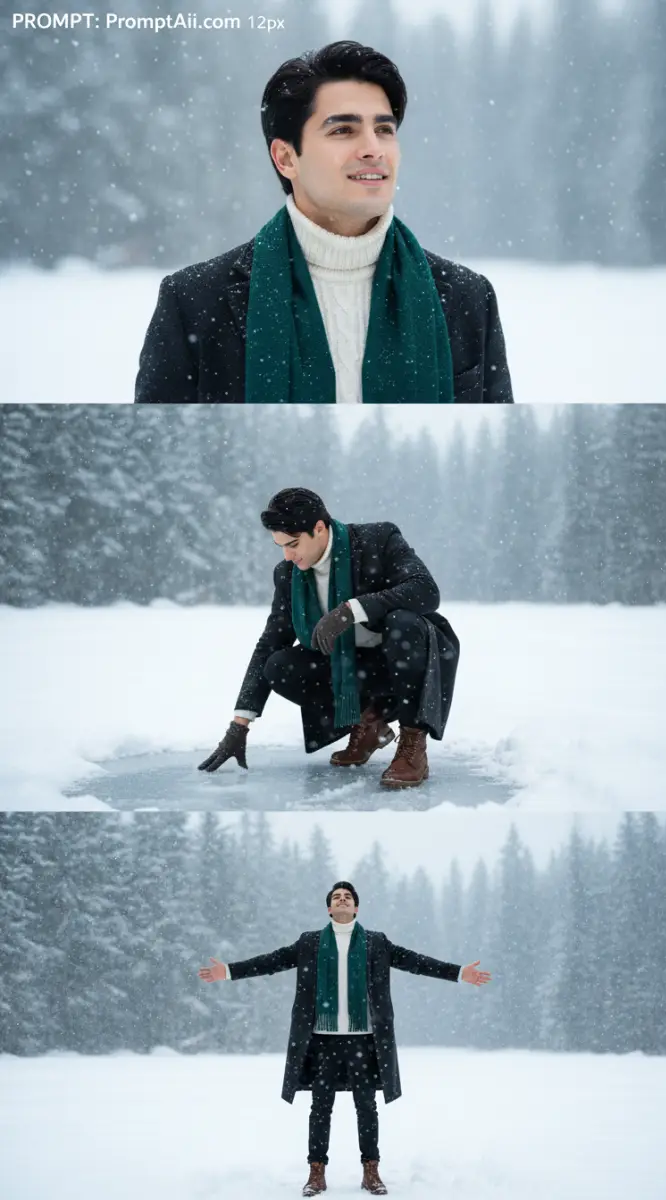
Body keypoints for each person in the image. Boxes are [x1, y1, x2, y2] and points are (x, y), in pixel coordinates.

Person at [136, 39, 513, 404]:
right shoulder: (194, 303)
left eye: (384, 129)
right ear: (286, 158)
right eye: (343, 130)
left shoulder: (467, 299)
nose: (373, 148)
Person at [198, 881, 491, 1195]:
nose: (341, 899)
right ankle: (316, 1173)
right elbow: (271, 961)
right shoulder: (309, 943)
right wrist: (227, 971)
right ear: (329, 908)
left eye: (347, 897)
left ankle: (371, 1172)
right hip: (322, 1042)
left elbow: (416, 962)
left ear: (355, 908)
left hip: (363, 1041)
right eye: (336, 897)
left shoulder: (377, 943)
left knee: (366, 1107)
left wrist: (460, 973)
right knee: (320, 1108)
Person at [198, 487, 460, 789]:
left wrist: (350, 611)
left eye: (293, 544)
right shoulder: (288, 575)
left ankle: (413, 745)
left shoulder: (378, 540)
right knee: (278, 665)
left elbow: (426, 590)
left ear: (319, 528)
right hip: (355, 671)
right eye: (280, 546)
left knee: (403, 622)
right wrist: (239, 726)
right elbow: (270, 642)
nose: (288, 555)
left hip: (407, 664)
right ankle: (368, 722)